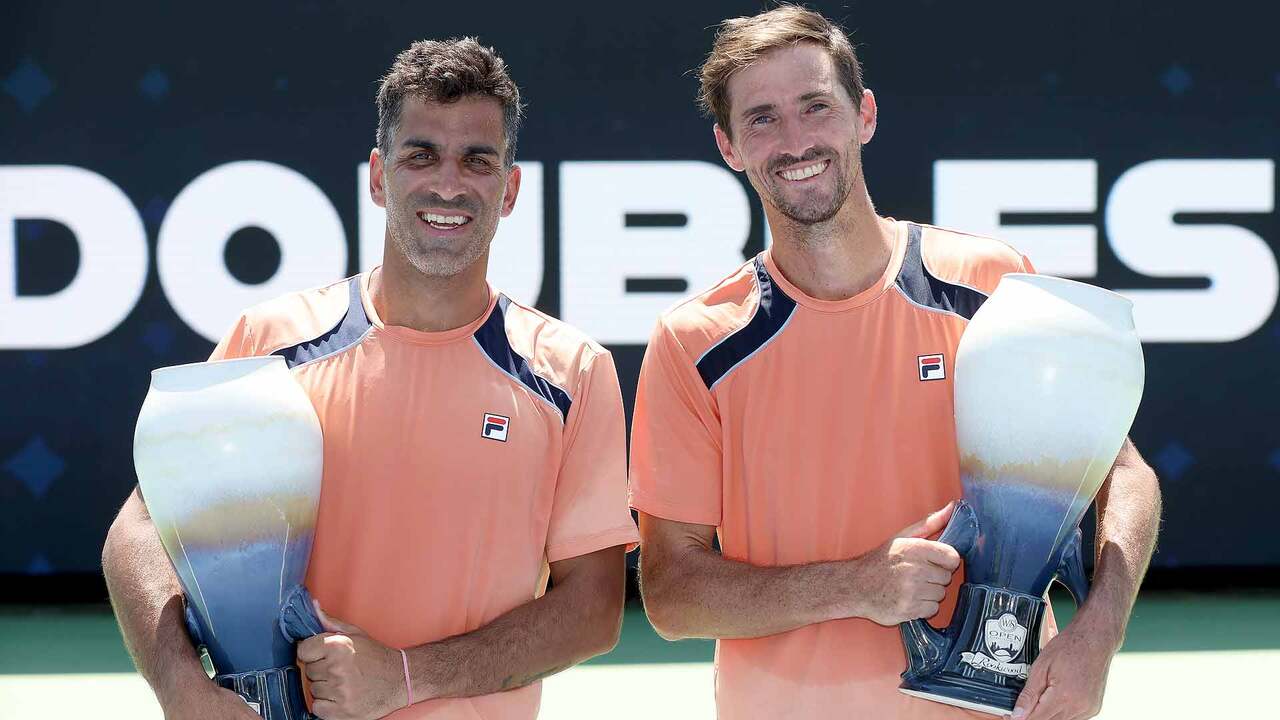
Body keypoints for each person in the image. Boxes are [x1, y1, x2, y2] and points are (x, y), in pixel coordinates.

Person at [628, 6, 1161, 720]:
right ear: (729, 146)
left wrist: (1099, 634)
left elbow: (1122, 477)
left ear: (864, 115)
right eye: (762, 118)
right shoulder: (693, 342)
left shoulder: (989, 287)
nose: (795, 140)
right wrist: (856, 585)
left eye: (816, 106)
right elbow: (670, 594)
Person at [102, 37, 639, 720]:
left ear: (508, 189)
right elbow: (140, 526)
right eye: (422, 155)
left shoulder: (571, 371)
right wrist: (179, 685)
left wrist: (407, 677)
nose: (448, 183)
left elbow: (592, 610)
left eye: (477, 159)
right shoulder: (271, 344)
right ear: (379, 176)